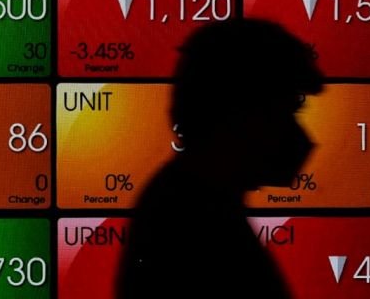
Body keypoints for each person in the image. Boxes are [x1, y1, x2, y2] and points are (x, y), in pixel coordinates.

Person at [116, 19, 323, 298]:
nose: (299, 135)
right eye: (285, 111)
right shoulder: (193, 226)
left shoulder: (190, 204)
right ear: (240, 113)